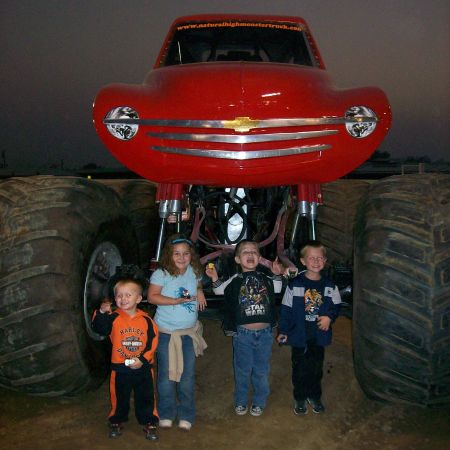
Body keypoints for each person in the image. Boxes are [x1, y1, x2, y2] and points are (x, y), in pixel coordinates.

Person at [206, 240, 284, 417]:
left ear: (259, 258)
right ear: (238, 259)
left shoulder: (266, 278)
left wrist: (277, 274)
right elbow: (219, 291)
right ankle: (241, 400)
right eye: (245, 252)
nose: (250, 255)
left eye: (254, 252)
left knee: (261, 369)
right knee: (242, 369)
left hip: (265, 334)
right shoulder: (236, 279)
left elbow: (278, 288)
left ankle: (259, 401)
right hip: (243, 334)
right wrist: (214, 278)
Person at [92, 265, 159, 441]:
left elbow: (152, 341)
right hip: (120, 367)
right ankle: (117, 420)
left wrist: (143, 359)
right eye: (119, 295)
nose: (123, 299)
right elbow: (99, 329)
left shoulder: (146, 320)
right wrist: (101, 313)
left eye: (128, 295)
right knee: (119, 396)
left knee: (145, 396)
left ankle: (149, 421)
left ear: (138, 298)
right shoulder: (112, 317)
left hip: (142, 367)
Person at [148, 235, 207, 431]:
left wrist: (199, 291)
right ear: (169, 255)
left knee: (187, 377)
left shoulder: (194, 271)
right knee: (165, 376)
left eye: (186, 253)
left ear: (192, 256)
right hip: (166, 333)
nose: (181, 257)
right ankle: (166, 412)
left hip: (188, 334)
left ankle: (187, 414)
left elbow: (197, 284)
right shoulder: (161, 274)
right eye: (176, 254)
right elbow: (152, 297)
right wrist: (174, 301)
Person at [277, 240, 341, 415]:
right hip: (299, 335)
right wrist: (283, 331)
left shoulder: (329, 286)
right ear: (303, 261)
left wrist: (329, 317)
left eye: (319, 258)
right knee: (299, 368)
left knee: (316, 368)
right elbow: (286, 310)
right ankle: (300, 397)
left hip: (318, 336)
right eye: (311, 258)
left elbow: (336, 305)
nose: (316, 261)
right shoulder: (295, 284)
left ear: (325, 260)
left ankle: (314, 396)